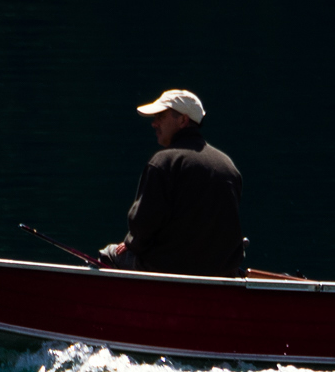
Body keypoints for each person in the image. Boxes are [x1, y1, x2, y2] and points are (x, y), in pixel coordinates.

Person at [98, 89, 244, 276]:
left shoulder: (163, 162)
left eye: (160, 116)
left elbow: (143, 225)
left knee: (109, 254)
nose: (154, 123)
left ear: (183, 120)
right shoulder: (228, 166)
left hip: (168, 268)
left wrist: (131, 244)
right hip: (223, 271)